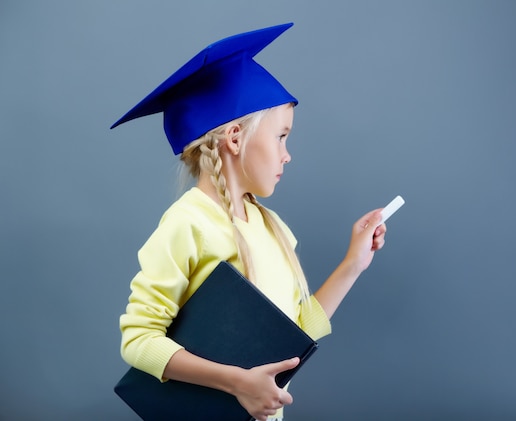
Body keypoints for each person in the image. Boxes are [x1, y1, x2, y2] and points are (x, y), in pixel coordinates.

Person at [112, 23, 387, 421]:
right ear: (236, 138)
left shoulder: (270, 225)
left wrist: (353, 264)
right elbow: (138, 341)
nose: (287, 154)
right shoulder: (187, 225)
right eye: (281, 136)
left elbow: (294, 333)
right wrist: (237, 382)